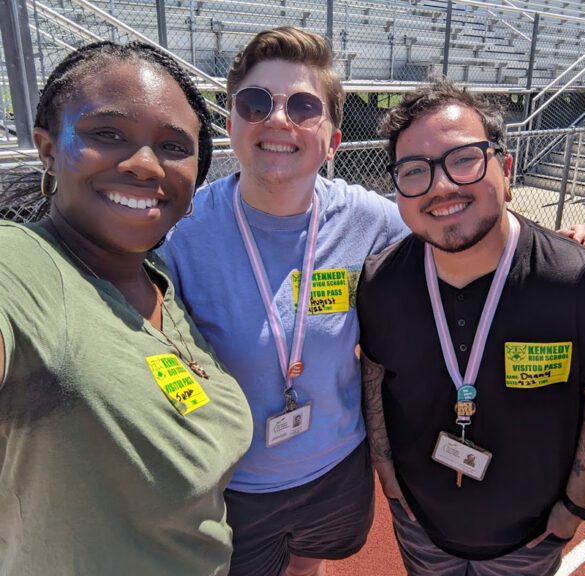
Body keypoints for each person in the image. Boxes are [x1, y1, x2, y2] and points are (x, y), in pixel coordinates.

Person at [160, 27, 408, 576]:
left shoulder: (370, 219)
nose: (277, 120)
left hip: (337, 466)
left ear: (333, 138)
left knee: (308, 567)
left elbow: (458, 239)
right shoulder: (181, 229)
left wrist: (558, 244)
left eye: (302, 106)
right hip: (234, 481)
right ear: (230, 125)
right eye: (255, 103)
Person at [0, 41, 253, 575]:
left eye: (172, 146)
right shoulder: (23, 266)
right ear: (47, 150)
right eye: (107, 134)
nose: (143, 165)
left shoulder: (156, 281)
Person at [357, 78, 585, 575]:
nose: (441, 186)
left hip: (532, 536)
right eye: (414, 170)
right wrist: (388, 476)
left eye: (463, 160)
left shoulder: (577, 281)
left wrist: (575, 506)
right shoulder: (381, 281)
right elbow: (374, 377)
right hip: (421, 527)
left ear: (504, 167)